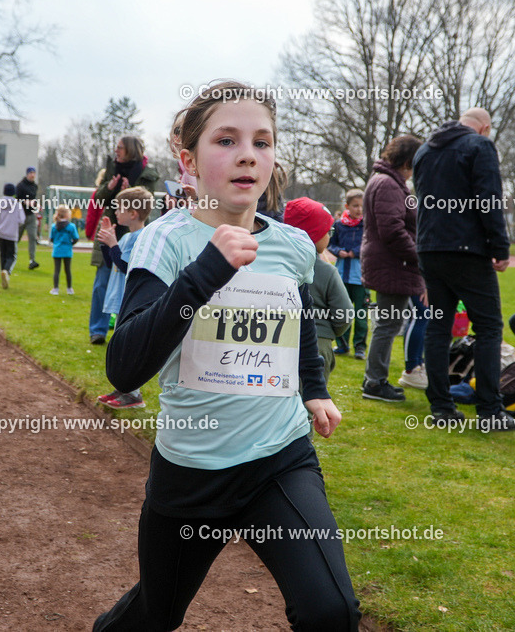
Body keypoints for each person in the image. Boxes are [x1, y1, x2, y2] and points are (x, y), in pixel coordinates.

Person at [93, 82, 360, 630]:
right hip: (192, 472)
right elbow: (124, 366)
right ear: (189, 161)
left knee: (331, 613)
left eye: (262, 141)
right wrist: (206, 272)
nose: (247, 153)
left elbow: (301, 322)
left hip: (279, 459)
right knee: (155, 616)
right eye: (227, 140)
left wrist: (314, 389)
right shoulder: (164, 243)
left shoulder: (291, 245)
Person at [413, 108, 515, 431]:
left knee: (438, 328)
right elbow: (489, 199)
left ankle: (441, 407)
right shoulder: (479, 146)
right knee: (488, 327)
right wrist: (500, 248)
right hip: (467, 250)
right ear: (484, 128)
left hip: (430, 248)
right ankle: (490, 410)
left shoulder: (423, 150)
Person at [361, 135, 429, 401]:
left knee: (389, 324)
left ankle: (376, 380)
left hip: (392, 262)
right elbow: (392, 229)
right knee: (388, 325)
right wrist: (417, 256)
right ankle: (375, 383)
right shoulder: (388, 184)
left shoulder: (387, 181)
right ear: (408, 161)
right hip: (393, 263)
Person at [88, 136, 159, 344]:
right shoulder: (111, 169)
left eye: (120, 148)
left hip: (130, 230)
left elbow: (146, 201)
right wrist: (110, 188)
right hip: (112, 227)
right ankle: (98, 331)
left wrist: (129, 188)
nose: (116, 151)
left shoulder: (147, 174)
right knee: (102, 282)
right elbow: (98, 199)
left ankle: (125, 333)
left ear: (130, 150)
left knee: (128, 284)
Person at [95, 187, 156, 409]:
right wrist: (106, 243)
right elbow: (113, 262)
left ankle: (133, 394)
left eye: (120, 208)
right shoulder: (129, 235)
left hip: (130, 299)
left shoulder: (143, 237)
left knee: (128, 346)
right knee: (121, 344)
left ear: (133, 213)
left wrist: (113, 244)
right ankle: (122, 389)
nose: (116, 211)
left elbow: (127, 266)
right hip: (121, 298)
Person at [284, 196, 354, 385]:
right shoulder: (326, 271)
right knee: (312, 398)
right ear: (313, 234)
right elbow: (344, 314)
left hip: (279, 339)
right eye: (328, 231)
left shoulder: (277, 265)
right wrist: (328, 331)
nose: (330, 236)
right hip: (317, 344)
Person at [329, 189, 367, 360]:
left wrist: (355, 252)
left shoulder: (367, 225)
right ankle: (342, 344)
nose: (359, 209)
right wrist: (339, 251)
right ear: (347, 206)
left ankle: (360, 346)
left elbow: (370, 245)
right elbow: (331, 244)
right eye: (355, 206)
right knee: (341, 312)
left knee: (360, 314)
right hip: (341, 276)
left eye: (362, 206)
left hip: (360, 277)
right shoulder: (338, 225)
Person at [0, 183, 25, 289]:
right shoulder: (17, 204)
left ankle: (3, 272)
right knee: (12, 255)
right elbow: (21, 219)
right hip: (12, 233)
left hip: (1, 233)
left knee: (3, 254)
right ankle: (6, 271)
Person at [49, 205, 78, 295]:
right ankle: (69, 288)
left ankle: (55, 288)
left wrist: (57, 243)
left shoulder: (54, 226)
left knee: (56, 270)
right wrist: (70, 244)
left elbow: (51, 238)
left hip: (57, 250)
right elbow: (76, 238)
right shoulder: (71, 226)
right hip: (67, 250)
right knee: (67, 270)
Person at [16, 167, 40, 270]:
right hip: (21, 215)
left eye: (34, 173)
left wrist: (37, 205)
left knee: (32, 237)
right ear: (27, 174)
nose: (32, 175)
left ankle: (32, 260)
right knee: (16, 238)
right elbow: (17, 199)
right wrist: (25, 202)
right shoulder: (20, 185)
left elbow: (33, 199)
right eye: (31, 173)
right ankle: (9, 255)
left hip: (31, 215)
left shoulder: (35, 186)